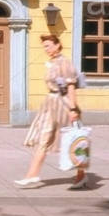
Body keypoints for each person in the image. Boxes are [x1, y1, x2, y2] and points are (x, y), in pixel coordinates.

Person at [17, 34, 84, 188]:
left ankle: (81, 175)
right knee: (44, 139)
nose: (46, 49)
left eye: (48, 45)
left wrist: (73, 109)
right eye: (44, 46)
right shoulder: (52, 63)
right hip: (51, 104)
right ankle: (32, 175)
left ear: (57, 44)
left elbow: (71, 87)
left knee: (72, 140)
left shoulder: (65, 63)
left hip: (65, 105)